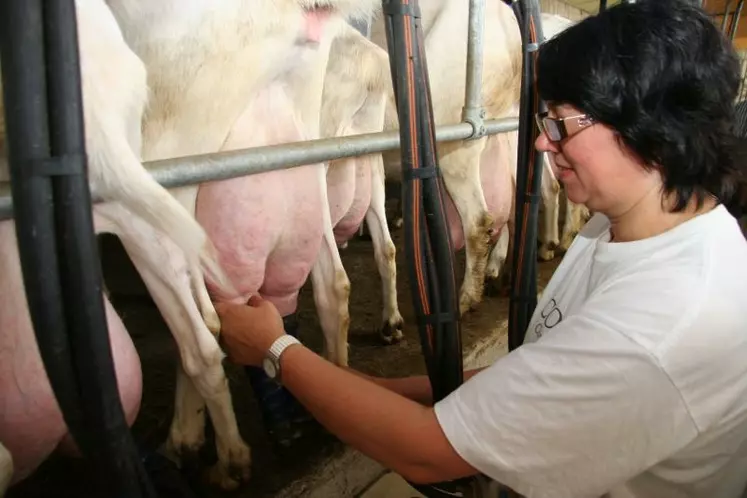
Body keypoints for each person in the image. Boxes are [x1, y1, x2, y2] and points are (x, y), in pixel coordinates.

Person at [214, 1, 747, 497]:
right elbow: (544, 375)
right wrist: (379, 385)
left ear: (653, 132)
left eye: (562, 122)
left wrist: (276, 351)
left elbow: (426, 453)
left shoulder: (659, 325)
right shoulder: (627, 227)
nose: (541, 141)